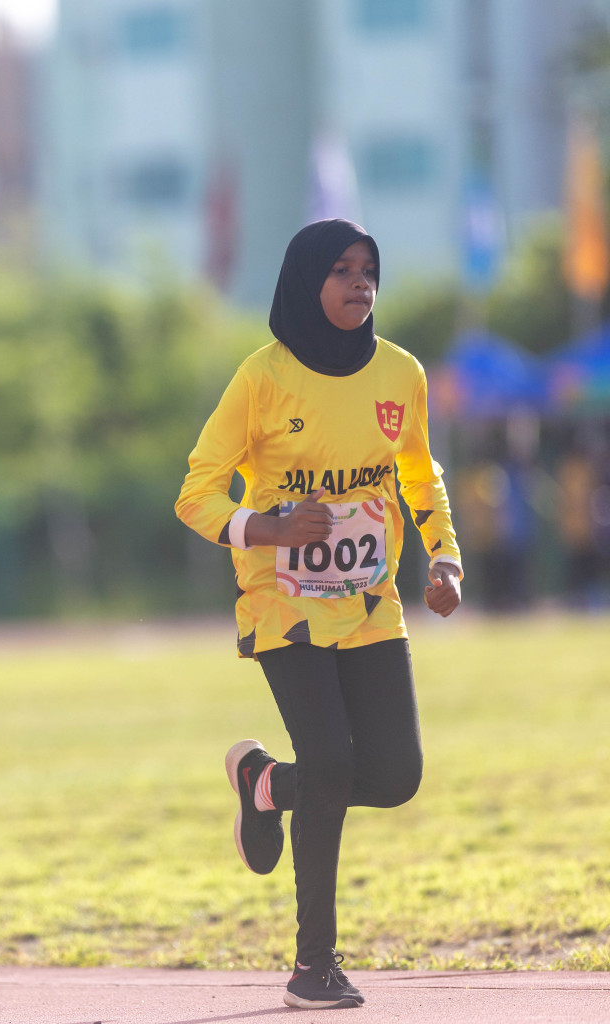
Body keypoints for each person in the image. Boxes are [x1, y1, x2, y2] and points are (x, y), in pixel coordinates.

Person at [175, 220, 462, 1010]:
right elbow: (196, 490)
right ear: (307, 282)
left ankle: (265, 783)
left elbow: (419, 475)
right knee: (332, 764)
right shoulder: (263, 378)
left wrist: (444, 557)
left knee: (396, 776)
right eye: (340, 270)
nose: (359, 283)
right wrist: (264, 528)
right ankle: (312, 964)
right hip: (282, 601)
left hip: (371, 604)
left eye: (368, 269)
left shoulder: (401, 373)